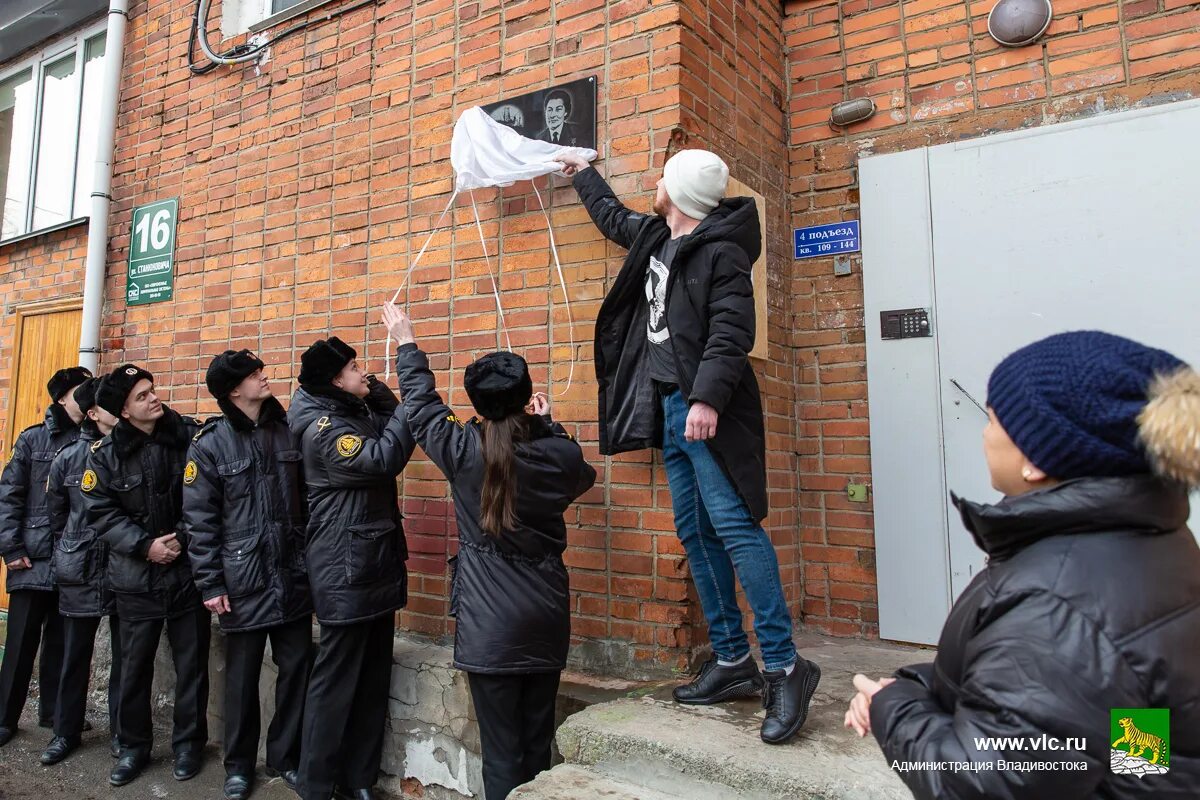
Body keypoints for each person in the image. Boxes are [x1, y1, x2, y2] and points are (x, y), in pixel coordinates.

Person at [847, 331, 1200, 798]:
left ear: (1034, 459)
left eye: (994, 420)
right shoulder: (1145, 543)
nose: (985, 433)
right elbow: (1130, 722)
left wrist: (891, 710)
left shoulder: (1054, 605)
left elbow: (985, 782)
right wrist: (915, 684)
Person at [555, 149, 821, 744]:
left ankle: (784, 666)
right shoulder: (656, 235)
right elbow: (613, 219)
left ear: (676, 193)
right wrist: (582, 175)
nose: (653, 184)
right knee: (696, 532)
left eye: (662, 180)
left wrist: (705, 400)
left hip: (709, 411)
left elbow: (732, 333)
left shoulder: (723, 253)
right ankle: (732, 661)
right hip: (671, 407)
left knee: (735, 527)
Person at [385, 304, 597, 800]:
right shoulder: (560, 454)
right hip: (545, 616)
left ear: (477, 406)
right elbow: (580, 476)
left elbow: (421, 407)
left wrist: (406, 341)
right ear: (527, 400)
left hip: (490, 625)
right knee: (536, 743)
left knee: (501, 753)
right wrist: (549, 426)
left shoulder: (464, 451)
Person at [287, 337, 415, 800]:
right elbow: (384, 457)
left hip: (372, 563)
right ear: (334, 380)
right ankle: (316, 784)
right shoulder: (323, 429)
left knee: (373, 677)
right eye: (356, 367)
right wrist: (411, 394)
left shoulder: (348, 410)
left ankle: (358, 778)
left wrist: (375, 389)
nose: (365, 371)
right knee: (336, 681)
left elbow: (388, 421)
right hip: (345, 569)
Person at [184, 350, 314, 800]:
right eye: (254, 375)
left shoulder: (286, 431)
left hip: (292, 574)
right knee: (240, 678)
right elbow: (199, 521)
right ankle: (238, 765)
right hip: (244, 580)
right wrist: (212, 583)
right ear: (234, 390)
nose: (264, 378)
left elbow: (307, 500)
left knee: (298, 666)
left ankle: (285, 756)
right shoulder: (210, 443)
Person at [83, 365, 209, 786]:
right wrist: (144, 546)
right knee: (134, 669)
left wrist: (182, 540)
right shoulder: (105, 456)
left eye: (152, 390)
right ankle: (133, 746)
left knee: (192, 666)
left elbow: (205, 497)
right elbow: (98, 511)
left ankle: (189, 744)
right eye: (142, 396)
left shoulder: (188, 438)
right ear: (122, 410)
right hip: (136, 579)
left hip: (187, 572)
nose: (154, 398)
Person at [0, 365, 91, 746]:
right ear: (62, 398)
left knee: (61, 642)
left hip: (71, 559)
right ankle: (4, 717)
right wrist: (12, 547)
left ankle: (54, 714)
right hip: (32, 557)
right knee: (20, 642)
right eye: (81, 392)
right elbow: (10, 495)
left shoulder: (91, 441)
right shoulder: (33, 440)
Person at [41, 376, 122, 765]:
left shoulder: (132, 450)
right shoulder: (69, 457)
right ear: (93, 413)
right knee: (74, 654)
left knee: (128, 657)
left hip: (125, 565)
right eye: (111, 403)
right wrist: (69, 549)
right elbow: (57, 514)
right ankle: (64, 730)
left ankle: (124, 734)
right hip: (81, 565)